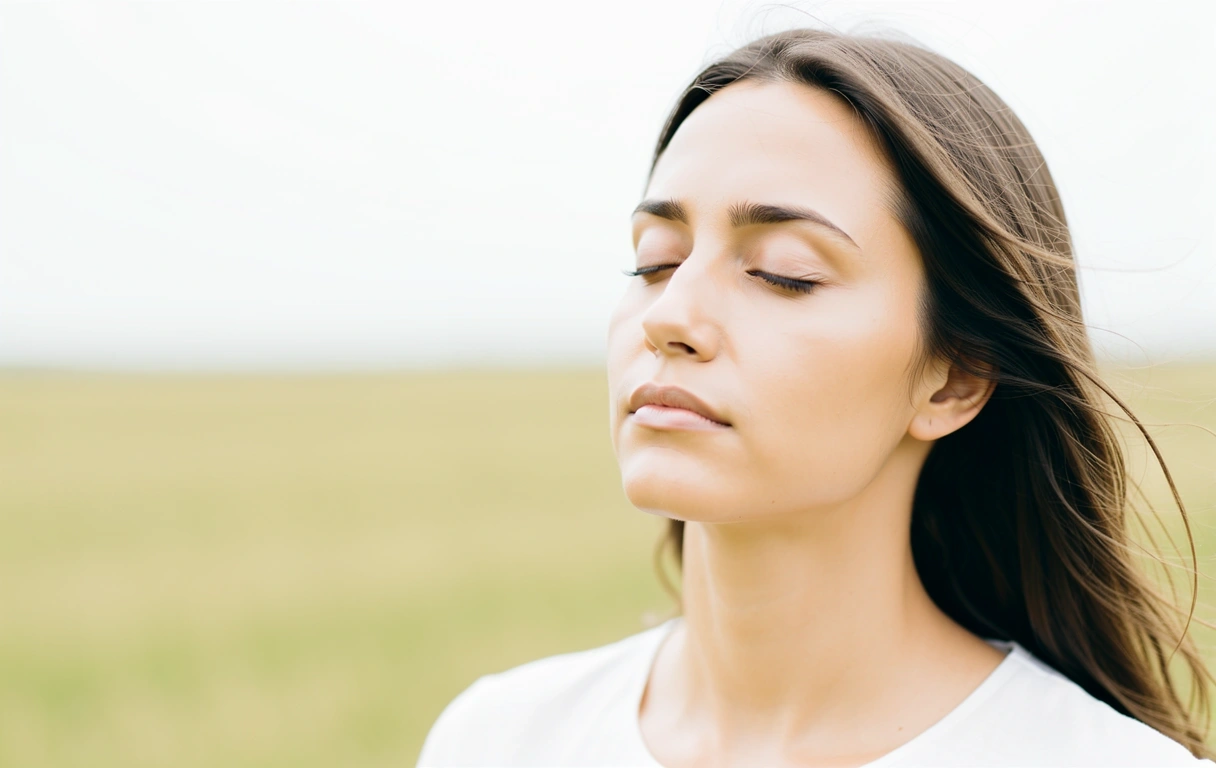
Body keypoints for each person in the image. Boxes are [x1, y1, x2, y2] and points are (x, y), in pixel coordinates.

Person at [415, 27, 1216, 767]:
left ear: (955, 378)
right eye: (656, 260)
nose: (669, 318)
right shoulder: (497, 739)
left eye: (782, 273)